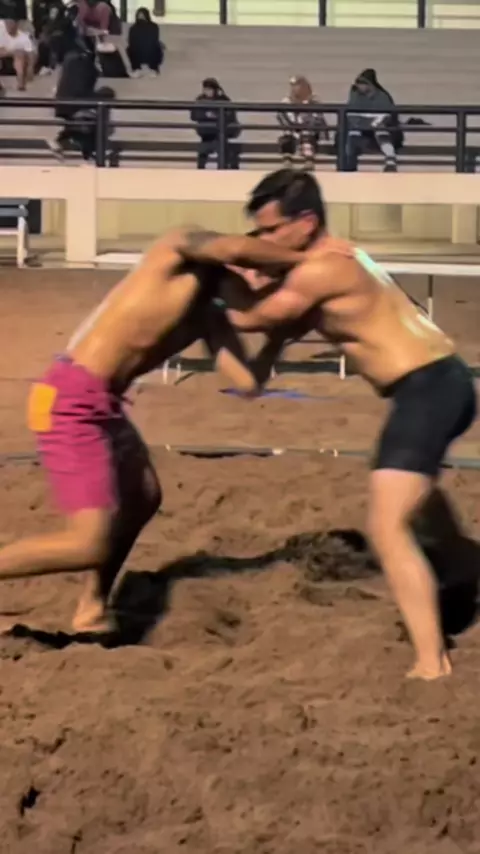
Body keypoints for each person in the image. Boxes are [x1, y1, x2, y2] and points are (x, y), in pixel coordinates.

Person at [226, 169, 476, 682]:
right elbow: (280, 334)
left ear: (305, 222)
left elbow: (254, 318)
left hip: (428, 389)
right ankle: (466, 570)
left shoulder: (324, 268)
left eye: (270, 230)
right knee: (410, 492)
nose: (263, 241)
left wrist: (205, 283)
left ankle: (432, 662)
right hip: (437, 384)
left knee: (386, 525)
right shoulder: (336, 258)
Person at [0, 229, 304, 635]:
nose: (259, 293)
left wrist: (277, 340)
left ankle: (91, 607)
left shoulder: (207, 315)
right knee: (88, 544)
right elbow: (234, 246)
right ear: (236, 265)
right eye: (259, 276)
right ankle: (88, 602)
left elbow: (246, 383)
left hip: (104, 403)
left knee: (143, 497)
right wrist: (304, 260)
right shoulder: (176, 254)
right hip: (68, 399)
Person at [344, 68, 403, 173]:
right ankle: (349, 163)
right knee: (352, 133)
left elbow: (387, 116)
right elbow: (352, 115)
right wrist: (361, 124)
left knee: (381, 131)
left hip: (380, 128)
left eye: (362, 83)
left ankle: (390, 159)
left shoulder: (382, 97)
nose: (359, 86)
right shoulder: (355, 95)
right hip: (362, 129)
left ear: (370, 85)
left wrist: (374, 123)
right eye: (358, 83)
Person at [277, 75, 329, 171]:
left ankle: (309, 161)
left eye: (298, 85)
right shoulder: (286, 101)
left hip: (308, 130)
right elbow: (284, 117)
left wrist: (306, 124)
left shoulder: (314, 102)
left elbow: (316, 118)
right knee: (286, 138)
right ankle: (287, 161)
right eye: (293, 86)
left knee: (307, 136)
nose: (295, 88)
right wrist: (295, 126)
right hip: (292, 129)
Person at [191, 77, 241, 170]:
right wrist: (207, 116)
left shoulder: (223, 100)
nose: (207, 92)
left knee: (228, 152)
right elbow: (194, 115)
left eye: (210, 89)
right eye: (205, 89)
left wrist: (214, 116)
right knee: (203, 152)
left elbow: (230, 116)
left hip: (221, 134)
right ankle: (200, 170)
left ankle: (226, 169)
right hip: (206, 134)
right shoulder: (200, 100)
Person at [0, 18, 36, 90]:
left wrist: (30, 67)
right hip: (2, 49)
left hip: (15, 52)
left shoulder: (24, 38)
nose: (9, 28)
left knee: (20, 55)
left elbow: (30, 53)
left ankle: (21, 82)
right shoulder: (2, 26)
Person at [127, 8, 163, 78]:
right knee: (157, 47)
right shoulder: (153, 26)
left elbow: (130, 41)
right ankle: (151, 69)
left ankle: (139, 69)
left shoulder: (134, 28)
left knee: (131, 49)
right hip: (146, 51)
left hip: (142, 51)